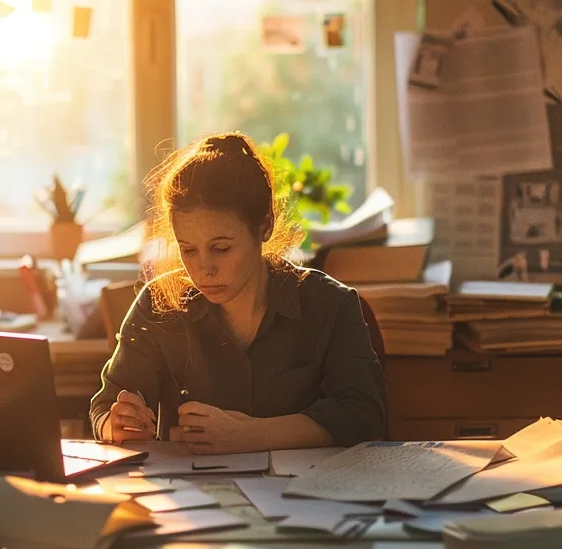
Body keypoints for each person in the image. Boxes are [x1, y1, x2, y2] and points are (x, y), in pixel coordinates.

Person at [89, 132, 386, 454]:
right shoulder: (158, 304)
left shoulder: (331, 304)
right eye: (188, 250)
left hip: (300, 497)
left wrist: (253, 435)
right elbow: (104, 405)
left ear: (265, 227)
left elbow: (364, 416)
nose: (204, 269)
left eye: (221, 248)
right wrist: (115, 423)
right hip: (187, 499)